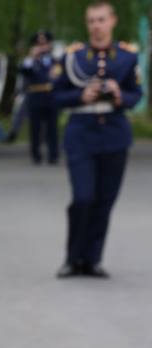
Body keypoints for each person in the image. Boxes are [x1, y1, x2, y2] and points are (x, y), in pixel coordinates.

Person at [53, 1, 142, 278]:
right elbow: (55, 96)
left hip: (114, 135)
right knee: (83, 197)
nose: (96, 26)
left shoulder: (127, 58)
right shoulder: (73, 58)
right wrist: (80, 96)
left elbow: (136, 95)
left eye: (101, 20)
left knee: (104, 200)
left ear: (112, 21)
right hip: (81, 134)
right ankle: (72, 257)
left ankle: (92, 259)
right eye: (91, 20)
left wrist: (119, 95)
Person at [21, 30, 62, 165]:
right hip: (36, 96)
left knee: (52, 128)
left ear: (50, 45)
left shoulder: (56, 61)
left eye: (45, 43)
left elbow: (59, 78)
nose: (42, 46)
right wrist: (31, 57)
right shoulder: (31, 62)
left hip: (51, 97)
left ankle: (53, 155)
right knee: (35, 128)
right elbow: (24, 71)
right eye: (39, 44)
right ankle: (36, 155)